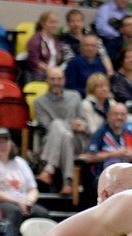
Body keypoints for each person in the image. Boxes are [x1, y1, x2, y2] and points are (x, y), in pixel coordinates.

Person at [0, 128, 49, 236]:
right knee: (13, 211)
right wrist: (18, 202)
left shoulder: (20, 162)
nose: (2, 145)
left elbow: (33, 189)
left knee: (42, 213)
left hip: (22, 202)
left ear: (11, 143)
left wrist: (29, 202)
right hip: (0, 202)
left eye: (5, 141)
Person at [34, 67, 88, 196]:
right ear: (46, 80)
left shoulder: (75, 96)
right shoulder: (39, 102)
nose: (56, 82)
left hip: (77, 140)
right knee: (62, 131)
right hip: (52, 139)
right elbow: (47, 126)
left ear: (64, 80)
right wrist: (70, 124)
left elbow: (86, 122)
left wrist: (81, 124)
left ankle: (49, 169)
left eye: (59, 79)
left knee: (62, 129)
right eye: (52, 79)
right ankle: (68, 182)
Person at [83, 102, 132, 185]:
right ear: (108, 116)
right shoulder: (101, 132)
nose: (119, 117)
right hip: (104, 176)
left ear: (126, 117)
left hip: (126, 176)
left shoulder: (129, 134)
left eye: (122, 115)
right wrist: (115, 154)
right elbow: (88, 157)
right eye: (116, 114)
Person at [60, 9, 113, 76]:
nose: (76, 24)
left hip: (97, 66)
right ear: (68, 23)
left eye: (78, 21)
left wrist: (109, 71)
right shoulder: (65, 38)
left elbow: (103, 54)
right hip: (77, 69)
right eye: (72, 21)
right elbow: (70, 59)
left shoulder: (92, 33)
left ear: (83, 22)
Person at [65, 34, 108, 99]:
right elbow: (70, 87)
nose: (90, 48)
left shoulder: (100, 65)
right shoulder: (73, 64)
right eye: (87, 45)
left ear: (97, 49)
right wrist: (92, 93)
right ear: (80, 47)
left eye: (93, 46)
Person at [25, 11, 64, 81]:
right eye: (51, 22)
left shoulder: (57, 40)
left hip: (54, 73)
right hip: (40, 73)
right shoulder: (35, 40)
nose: (54, 25)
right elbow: (34, 61)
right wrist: (50, 70)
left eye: (56, 22)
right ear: (43, 23)